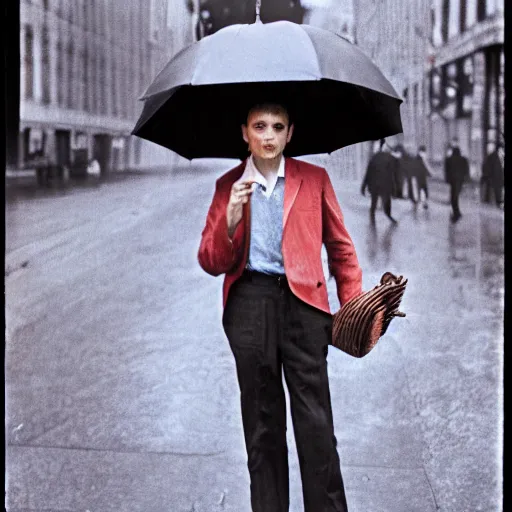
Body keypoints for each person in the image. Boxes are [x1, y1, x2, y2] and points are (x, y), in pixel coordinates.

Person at [198, 101, 363, 512]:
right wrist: (230, 219)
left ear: (290, 133)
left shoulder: (314, 179)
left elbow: (341, 249)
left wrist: (353, 309)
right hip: (250, 307)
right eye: (259, 126)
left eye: (277, 127)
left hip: (305, 309)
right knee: (262, 428)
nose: (268, 135)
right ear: (244, 133)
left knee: (316, 427)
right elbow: (211, 261)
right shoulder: (227, 186)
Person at [361, 138, 398, 224]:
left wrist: (363, 186)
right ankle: (388, 216)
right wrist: (395, 190)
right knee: (386, 202)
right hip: (385, 185)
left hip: (375, 185)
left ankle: (372, 220)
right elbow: (393, 175)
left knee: (374, 203)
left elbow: (368, 173)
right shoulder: (390, 158)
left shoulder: (374, 157)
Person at [444, 144, 470, 222]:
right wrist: (466, 180)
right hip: (460, 180)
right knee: (456, 195)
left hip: (453, 180)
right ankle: (457, 212)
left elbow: (447, 171)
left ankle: (456, 212)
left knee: (453, 196)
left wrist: (447, 180)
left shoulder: (448, 159)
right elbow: (466, 170)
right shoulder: (464, 159)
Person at [481, 141, 504, 208]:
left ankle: (497, 204)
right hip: (495, 179)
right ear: (499, 149)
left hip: (499, 179)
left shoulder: (500, 156)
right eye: (502, 148)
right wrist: (489, 177)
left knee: (498, 193)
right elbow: (485, 167)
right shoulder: (492, 156)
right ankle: (497, 204)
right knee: (495, 194)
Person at [413, 145, 432, 209]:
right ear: (420, 152)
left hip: (422, 177)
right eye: (423, 152)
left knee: (424, 190)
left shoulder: (423, 159)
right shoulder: (417, 159)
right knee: (419, 191)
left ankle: (424, 203)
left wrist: (429, 174)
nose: (424, 153)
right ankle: (416, 204)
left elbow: (426, 168)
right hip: (418, 178)